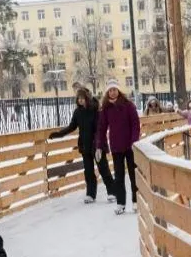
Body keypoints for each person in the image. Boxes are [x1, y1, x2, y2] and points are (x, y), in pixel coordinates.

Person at [49, 86, 115, 204]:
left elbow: (100, 129)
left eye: (82, 98)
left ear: (87, 98)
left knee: (103, 169)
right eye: (78, 98)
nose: (80, 100)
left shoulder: (96, 110)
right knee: (88, 171)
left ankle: (112, 192)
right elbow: (72, 127)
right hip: (85, 146)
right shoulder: (77, 112)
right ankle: (90, 194)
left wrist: (98, 146)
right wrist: (58, 134)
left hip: (97, 145)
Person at [97, 81, 141, 215]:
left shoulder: (128, 105)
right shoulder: (106, 108)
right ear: (107, 93)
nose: (112, 92)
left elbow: (135, 124)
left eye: (114, 90)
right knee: (119, 176)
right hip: (116, 147)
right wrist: (99, 146)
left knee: (133, 175)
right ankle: (121, 203)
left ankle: (135, 201)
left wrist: (134, 141)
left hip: (130, 146)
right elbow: (101, 128)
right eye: (110, 90)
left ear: (119, 91)